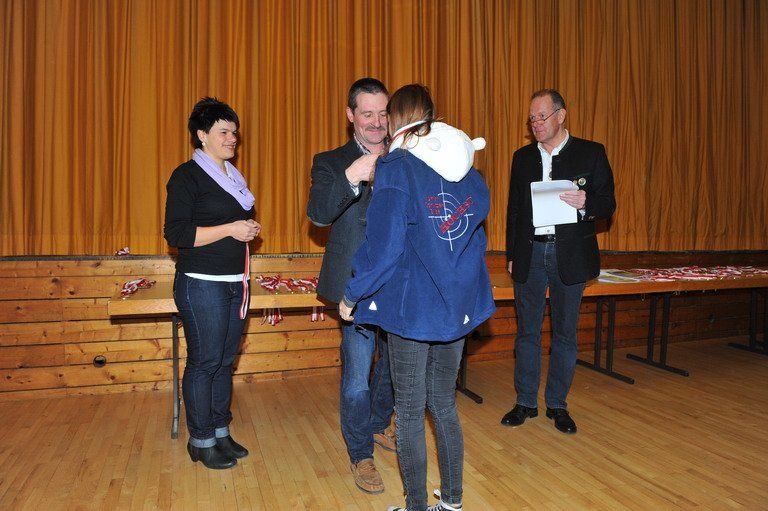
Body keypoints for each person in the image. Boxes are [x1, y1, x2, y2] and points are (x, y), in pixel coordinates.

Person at [339, 84, 496, 511]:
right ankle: (453, 503)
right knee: (443, 405)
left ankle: (416, 507)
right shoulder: (471, 173)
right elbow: (474, 242)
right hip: (454, 308)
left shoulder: (397, 167)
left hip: (413, 309)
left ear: (396, 120)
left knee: (409, 412)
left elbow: (384, 246)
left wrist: (353, 294)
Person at [502, 89, 616, 434]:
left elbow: (607, 204)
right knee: (527, 332)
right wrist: (512, 254)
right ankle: (525, 401)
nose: (536, 123)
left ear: (561, 115)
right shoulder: (522, 158)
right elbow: (514, 210)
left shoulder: (591, 153)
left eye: (542, 116)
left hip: (571, 254)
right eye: (532, 119)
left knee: (565, 333)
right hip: (531, 252)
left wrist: (586, 203)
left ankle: (557, 405)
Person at [306, 78, 396, 494]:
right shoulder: (330, 162)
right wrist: (351, 177)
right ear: (350, 116)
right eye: (367, 114)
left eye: (383, 113)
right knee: (358, 376)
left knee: (393, 368)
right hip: (354, 288)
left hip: (398, 283)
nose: (376, 122)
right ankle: (361, 454)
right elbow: (319, 216)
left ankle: (377, 425)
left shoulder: (405, 155)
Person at [164, 97, 261, 469]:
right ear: (202, 135)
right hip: (202, 284)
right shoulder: (186, 176)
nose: (232, 138)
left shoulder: (234, 178)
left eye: (234, 132)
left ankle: (220, 431)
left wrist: (246, 228)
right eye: (223, 131)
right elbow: (177, 234)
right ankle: (200, 440)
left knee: (223, 363)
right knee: (204, 363)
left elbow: (233, 226)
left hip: (235, 282)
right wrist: (231, 228)